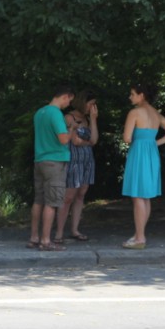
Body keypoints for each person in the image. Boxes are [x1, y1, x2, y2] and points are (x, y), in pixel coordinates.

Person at [121, 82, 165, 249]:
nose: (130, 97)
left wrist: (139, 139)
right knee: (145, 196)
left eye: (132, 94)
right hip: (151, 153)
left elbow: (127, 138)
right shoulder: (155, 113)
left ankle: (140, 238)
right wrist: (155, 143)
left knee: (137, 195)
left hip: (139, 153)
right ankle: (139, 235)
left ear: (142, 95)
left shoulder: (134, 112)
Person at [28, 85, 73, 251]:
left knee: (38, 200)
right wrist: (71, 130)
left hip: (40, 160)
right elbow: (63, 139)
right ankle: (46, 241)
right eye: (69, 100)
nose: (68, 104)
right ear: (65, 96)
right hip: (55, 162)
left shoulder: (39, 113)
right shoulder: (55, 113)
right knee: (52, 202)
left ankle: (34, 237)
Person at [54, 91, 99, 243]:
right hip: (74, 160)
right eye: (91, 104)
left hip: (87, 160)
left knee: (81, 194)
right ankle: (59, 233)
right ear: (82, 102)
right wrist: (87, 142)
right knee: (68, 197)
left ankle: (74, 230)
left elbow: (94, 140)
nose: (93, 107)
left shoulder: (87, 119)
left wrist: (93, 119)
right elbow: (75, 142)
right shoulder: (69, 117)